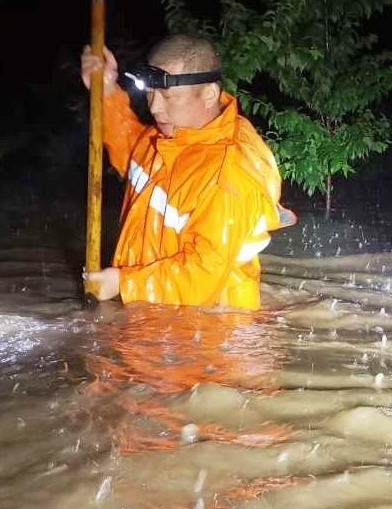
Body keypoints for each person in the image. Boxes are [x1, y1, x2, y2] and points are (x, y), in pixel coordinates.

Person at [79, 34, 296, 309]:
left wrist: (124, 283)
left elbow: (202, 276)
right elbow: (130, 149)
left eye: (168, 97)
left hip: (207, 337)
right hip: (149, 317)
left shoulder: (229, 174)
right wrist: (106, 89)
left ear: (208, 94)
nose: (155, 107)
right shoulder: (169, 139)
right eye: (150, 93)